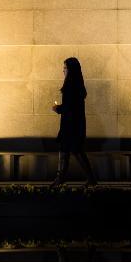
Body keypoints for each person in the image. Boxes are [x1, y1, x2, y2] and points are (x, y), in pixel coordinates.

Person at [51, 58, 97, 188]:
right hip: (74, 124)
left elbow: (70, 106)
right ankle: (61, 178)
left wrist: (58, 108)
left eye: (65, 68)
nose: (63, 70)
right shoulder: (77, 84)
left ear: (71, 70)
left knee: (72, 150)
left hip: (71, 125)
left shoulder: (71, 85)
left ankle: (62, 178)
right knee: (69, 150)